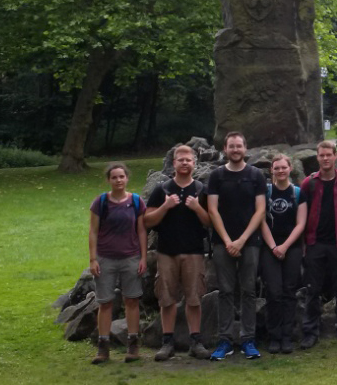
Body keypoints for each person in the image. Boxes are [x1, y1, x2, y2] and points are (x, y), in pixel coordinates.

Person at [143, 145, 211, 361]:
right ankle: (167, 341)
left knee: (194, 298)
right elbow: (148, 220)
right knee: (166, 298)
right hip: (167, 252)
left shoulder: (201, 190)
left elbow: (210, 222)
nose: (184, 163)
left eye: (188, 160)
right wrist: (166, 207)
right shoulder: (161, 189)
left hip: (193, 252)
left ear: (194, 163)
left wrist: (197, 208)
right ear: (173, 163)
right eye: (180, 159)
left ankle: (196, 341)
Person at [207, 132, 266, 360]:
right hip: (223, 243)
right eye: (231, 146)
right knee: (225, 291)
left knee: (249, 290)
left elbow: (260, 210)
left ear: (245, 148)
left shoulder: (256, 175)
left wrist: (241, 240)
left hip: (250, 242)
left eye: (239, 146)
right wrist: (228, 240)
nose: (235, 149)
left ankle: (248, 339)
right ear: (225, 149)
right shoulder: (217, 176)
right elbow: (212, 210)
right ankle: (225, 340)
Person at [298, 141, 337, 349]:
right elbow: (302, 215)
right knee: (312, 290)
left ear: (335, 157)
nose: (325, 158)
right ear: (317, 158)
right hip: (315, 243)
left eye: (329, 155)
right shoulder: (309, 183)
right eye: (322, 155)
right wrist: (304, 244)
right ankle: (310, 332)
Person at [88, 163, 147, 364]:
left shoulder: (137, 201)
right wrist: (93, 258)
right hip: (105, 259)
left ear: (127, 178)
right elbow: (93, 231)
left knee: (132, 300)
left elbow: (141, 231)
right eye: (114, 177)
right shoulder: (101, 202)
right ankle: (103, 348)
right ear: (109, 180)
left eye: (122, 176)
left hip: (131, 257)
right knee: (105, 303)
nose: (118, 180)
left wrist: (143, 258)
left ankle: (133, 344)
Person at [258, 154, 306, 355]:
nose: (280, 171)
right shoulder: (266, 192)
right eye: (276, 168)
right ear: (272, 170)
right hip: (269, 248)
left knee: (288, 291)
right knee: (274, 292)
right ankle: (274, 335)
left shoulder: (297, 192)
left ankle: (286, 336)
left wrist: (285, 246)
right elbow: (260, 221)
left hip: (292, 247)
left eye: (283, 167)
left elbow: (301, 223)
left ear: (290, 168)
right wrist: (273, 247)